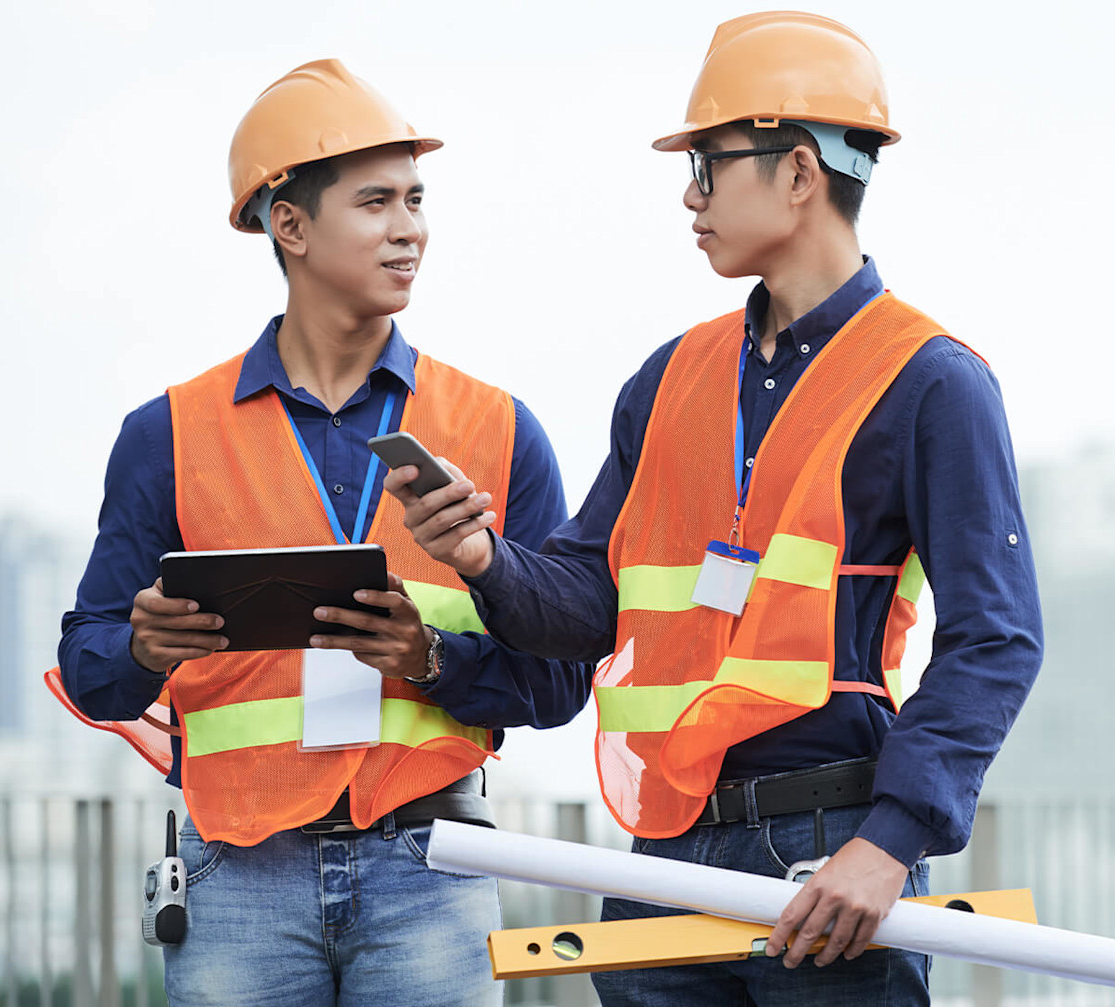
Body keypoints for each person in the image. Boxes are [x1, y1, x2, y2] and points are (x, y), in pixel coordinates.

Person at [392, 13, 1043, 1004]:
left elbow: (995, 638)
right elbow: (584, 605)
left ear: (797, 171)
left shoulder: (931, 383)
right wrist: (484, 556)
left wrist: (887, 843)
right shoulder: (668, 382)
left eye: (707, 164)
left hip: (826, 857)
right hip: (662, 854)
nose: (687, 198)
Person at [55, 59, 585, 1006]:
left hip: (432, 867)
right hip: (238, 884)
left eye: (416, 199)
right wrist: (141, 646)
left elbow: (558, 679)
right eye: (376, 201)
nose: (410, 227)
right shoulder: (167, 435)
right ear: (288, 225)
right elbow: (93, 667)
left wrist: (430, 660)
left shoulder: (500, 430)